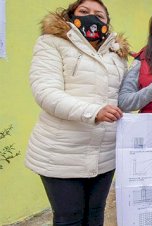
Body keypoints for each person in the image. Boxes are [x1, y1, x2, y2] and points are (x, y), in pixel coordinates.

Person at [25, 0, 129, 225]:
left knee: (94, 216)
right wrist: (94, 111)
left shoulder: (117, 54)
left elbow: (124, 98)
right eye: (84, 12)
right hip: (62, 152)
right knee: (69, 219)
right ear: (71, 15)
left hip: (104, 154)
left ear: (107, 23)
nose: (92, 18)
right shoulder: (51, 43)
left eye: (99, 15)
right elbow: (46, 93)